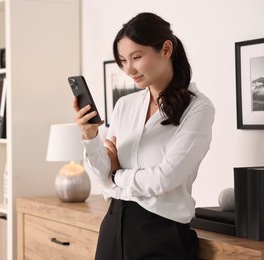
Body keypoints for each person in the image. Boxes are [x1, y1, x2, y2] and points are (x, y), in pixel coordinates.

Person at [73, 12, 215, 260]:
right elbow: (101, 176)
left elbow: (164, 179)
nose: (129, 69)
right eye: (123, 60)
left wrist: (117, 174)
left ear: (166, 49)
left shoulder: (198, 108)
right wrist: (90, 137)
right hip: (113, 226)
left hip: (161, 233)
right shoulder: (125, 105)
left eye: (136, 57)